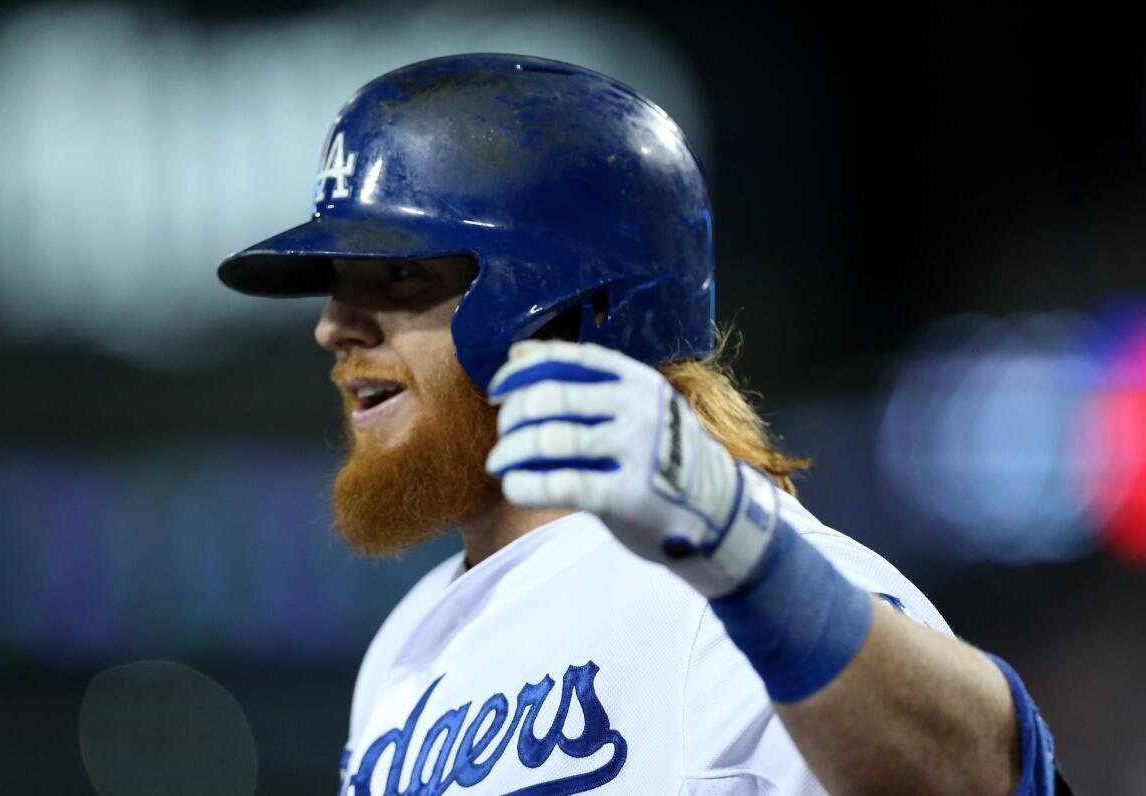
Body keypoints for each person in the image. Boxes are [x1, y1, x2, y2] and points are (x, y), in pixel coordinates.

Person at [218, 54, 1064, 795]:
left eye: (398, 274)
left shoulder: (738, 586)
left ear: (561, 306)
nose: (335, 327)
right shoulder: (407, 640)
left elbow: (986, 779)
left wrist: (748, 564)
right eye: (339, 281)